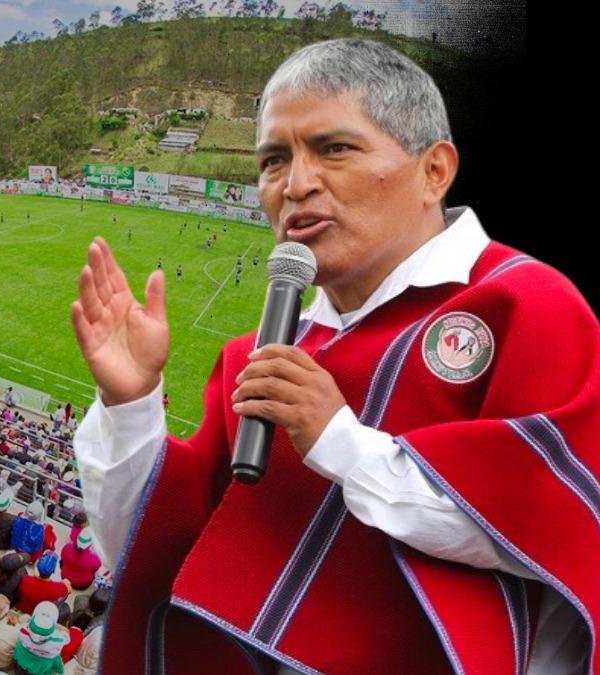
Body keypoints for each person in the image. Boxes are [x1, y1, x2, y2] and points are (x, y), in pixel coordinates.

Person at [70, 39, 597, 673]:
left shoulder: (525, 302)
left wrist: (339, 441)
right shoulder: (257, 359)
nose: (295, 185)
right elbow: (151, 552)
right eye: (272, 160)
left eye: (334, 149)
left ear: (434, 171)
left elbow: (563, 529)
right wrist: (129, 404)